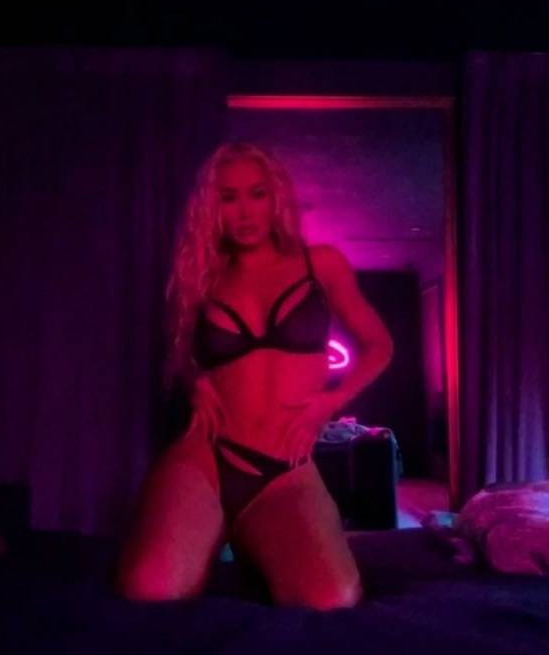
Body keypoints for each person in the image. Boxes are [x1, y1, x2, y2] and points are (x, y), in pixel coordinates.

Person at [114, 141, 394, 609]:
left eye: (256, 193)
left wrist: (328, 404)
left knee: (333, 598)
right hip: (207, 456)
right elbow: (181, 352)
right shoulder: (204, 276)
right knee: (148, 589)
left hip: (284, 470)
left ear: (275, 197)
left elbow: (380, 346)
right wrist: (195, 383)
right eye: (228, 198)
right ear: (213, 208)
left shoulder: (320, 264)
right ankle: (224, 531)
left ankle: (251, 538)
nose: (244, 211)